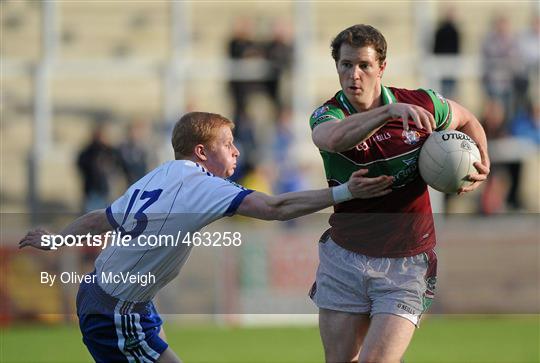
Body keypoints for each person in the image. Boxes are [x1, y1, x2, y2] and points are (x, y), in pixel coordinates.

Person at [20, 111, 378, 363]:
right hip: (116, 310)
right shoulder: (201, 186)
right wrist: (346, 192)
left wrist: (57, 240)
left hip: (114, 297)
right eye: (227, 143)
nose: (236, 151)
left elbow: (102, 218)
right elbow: (276, 208)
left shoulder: (161, 174)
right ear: (202, 152)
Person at [308, 25, 490, 362]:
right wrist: (387, 113)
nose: (354, 75)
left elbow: (465, 119)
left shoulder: (420, 104)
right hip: (345, 258)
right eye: (346, 65)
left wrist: (482, 157)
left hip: (406, 262)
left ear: (382, 67)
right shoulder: (328, 114)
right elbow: (332, 140)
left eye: (363, 65)